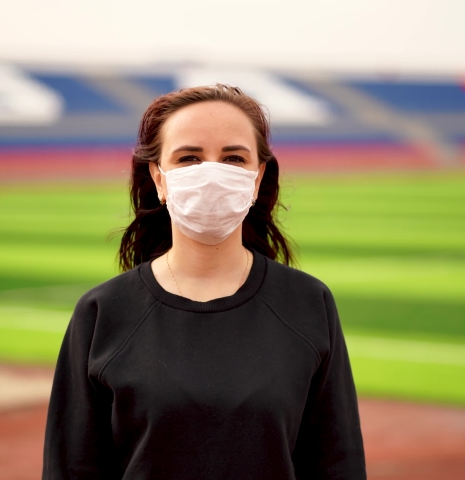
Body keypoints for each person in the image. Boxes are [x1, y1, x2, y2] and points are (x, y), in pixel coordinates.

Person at [42, 84, 366, 479]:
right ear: (159, 179)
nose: (211, 173)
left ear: (257, 176)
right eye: (189, 158)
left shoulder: (308, 303)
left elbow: (338, 463)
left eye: (233, 158)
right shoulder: (102, 313)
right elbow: (71, 468)